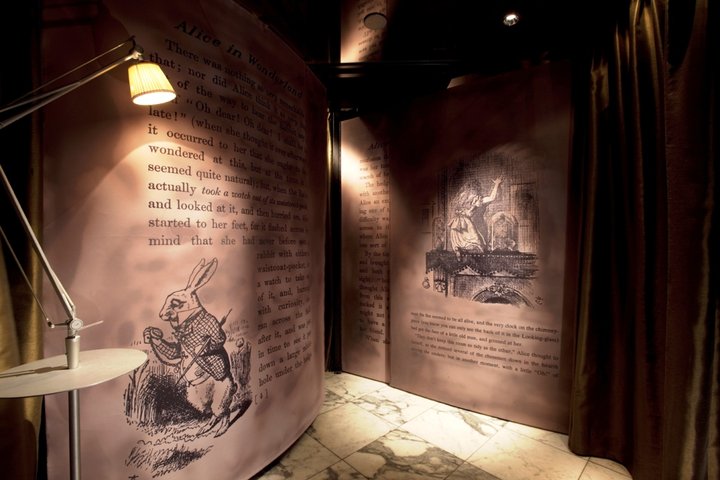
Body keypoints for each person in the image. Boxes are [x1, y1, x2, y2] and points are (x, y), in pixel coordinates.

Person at [447, 177, 502, 255]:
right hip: (464, 224)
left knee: (465, 247)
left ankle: (462, 252)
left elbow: (455, 208)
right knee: (476, 244)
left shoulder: (463, 196)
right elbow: (492, 198)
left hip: (457, 224)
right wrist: (497, 184)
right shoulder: (476, 198)